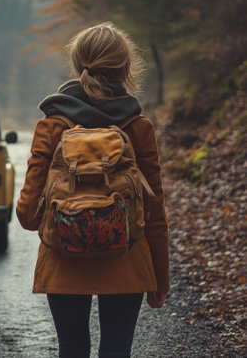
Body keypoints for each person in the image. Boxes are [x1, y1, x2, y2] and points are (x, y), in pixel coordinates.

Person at [16, 22, 169, 358]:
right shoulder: (139, 127)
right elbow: (154, 211)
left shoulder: (52, 125)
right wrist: (160, 277)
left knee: (72, 349)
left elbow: (27, 216)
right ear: (126, 69)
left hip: (63, 258)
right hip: (127, 260)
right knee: (116, 349)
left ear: (77, 65)